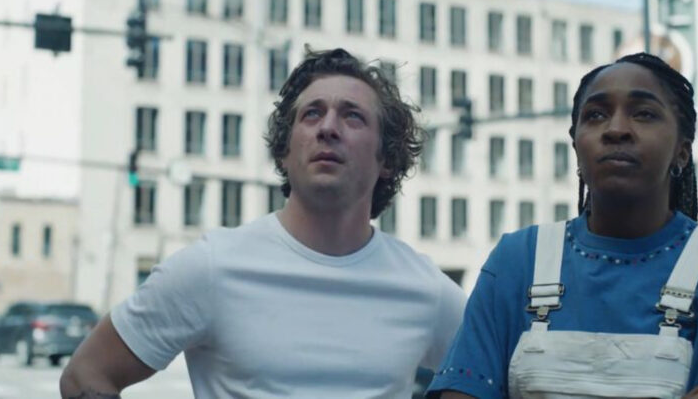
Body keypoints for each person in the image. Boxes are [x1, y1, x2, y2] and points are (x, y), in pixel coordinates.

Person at [60, 48, 466, 398]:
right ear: (284, 153)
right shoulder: (213, 267)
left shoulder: (425, 290)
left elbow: (496, 378)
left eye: (353, 116)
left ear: (387, 159)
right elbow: (85, 374)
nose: (328, 128)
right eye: (312, 114)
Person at [426, 53, 698, 399]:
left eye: (644, 114)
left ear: (682, 151)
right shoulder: (518, 260)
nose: (616, 129)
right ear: (576, 145)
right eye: (596, 115)